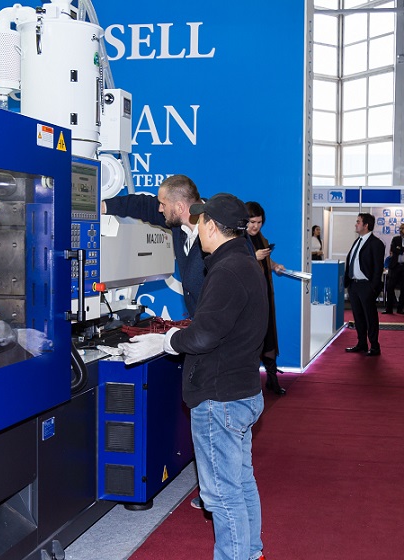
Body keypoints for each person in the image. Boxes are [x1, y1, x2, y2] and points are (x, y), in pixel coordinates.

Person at [119, 193, 269, 560]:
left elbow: (204, 335)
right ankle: (251, 553)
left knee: (222, 494)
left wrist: (164, 341)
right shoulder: (244, 262)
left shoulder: (227, 270)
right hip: (242, 391)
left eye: (200, 222)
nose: (196, 227)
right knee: (240, 482)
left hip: (221, 398)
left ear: (212, 227)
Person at [102, 175, 254, 319]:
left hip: (222, 328)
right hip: (202, 325)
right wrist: (103, 206)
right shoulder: (177, 222)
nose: (160, 209)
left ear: (180, 207)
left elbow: (240, 291)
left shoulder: (224, 233)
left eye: (163, 204)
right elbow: (143, 205)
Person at [246, 201, 287, 396]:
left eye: (259, 222)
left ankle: (272, 379)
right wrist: (254, 257)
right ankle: (250, 384)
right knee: (251, 340)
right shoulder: (236, 240)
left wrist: (275, 265)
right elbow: (234, 264)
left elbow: (266, 261)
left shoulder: (262, 239)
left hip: (265, 296)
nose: (255, 226)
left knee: (269, 336)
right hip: (248, 300)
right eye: (252, 222)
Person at [344, 213, 385, 356]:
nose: (356, 224)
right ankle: (361, 343)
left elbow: (378, 268)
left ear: (366, 225)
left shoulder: (376, 243)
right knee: (358, 316)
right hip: (354, 285)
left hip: (366, 286)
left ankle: (374, 346)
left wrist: (372, 287)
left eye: (358, 222)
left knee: (370, 317)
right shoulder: (357, 241)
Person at [384, 222, 404, 315]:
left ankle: (400, 309)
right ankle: (389, 309)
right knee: (390, 287)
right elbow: (394, 249)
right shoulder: (395, 239)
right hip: (395, 266)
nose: (400, 230)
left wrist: (400, 249)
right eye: (400, 228)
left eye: (403, 228)